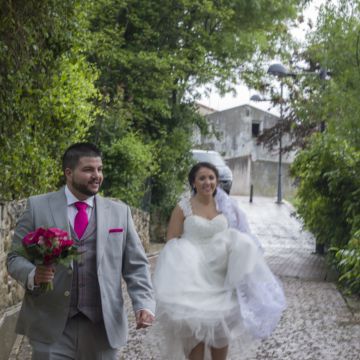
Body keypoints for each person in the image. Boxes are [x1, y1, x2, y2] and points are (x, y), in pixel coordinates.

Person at [7, 142, 155, 360]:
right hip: (51, 327)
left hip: (103, 328)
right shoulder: (37, 207)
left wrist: (143, 303)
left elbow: (136, 265)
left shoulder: (119, 213)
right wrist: (32, 274)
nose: (96, 175)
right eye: (88, 170)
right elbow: (14, 258)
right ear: (69, 173)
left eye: (99, 169)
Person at [151, 162, 286, 360]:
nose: (208, 182)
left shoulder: (226, 207)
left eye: (211, 178)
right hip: (192, 279)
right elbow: (172, 241)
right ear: (193, 183)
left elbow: (240, 236)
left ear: (217, 182)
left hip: (221, 278)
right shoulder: (183, 207)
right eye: (202, 178)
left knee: (221, 337)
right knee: (195, 341)